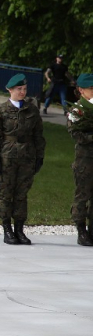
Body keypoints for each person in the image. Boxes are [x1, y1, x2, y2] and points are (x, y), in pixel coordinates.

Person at [0, 73, 45, 245]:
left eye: (25, 89)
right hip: (7, 157)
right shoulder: (1, 111)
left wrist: (39, 156)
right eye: (19, 89)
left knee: (21, 194)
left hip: (27, 157)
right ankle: (7, 229)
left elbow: (38, 135)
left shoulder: (32, 110)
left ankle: (19, 229)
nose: (22, 92)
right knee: (6, 193)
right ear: (10, 90)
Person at [67, 74, 93, 246]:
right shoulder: (77, 110)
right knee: (82, 194)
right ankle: (81, 230)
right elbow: (75, 133)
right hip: (85, 158)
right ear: (81, 90)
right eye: (91, 89)